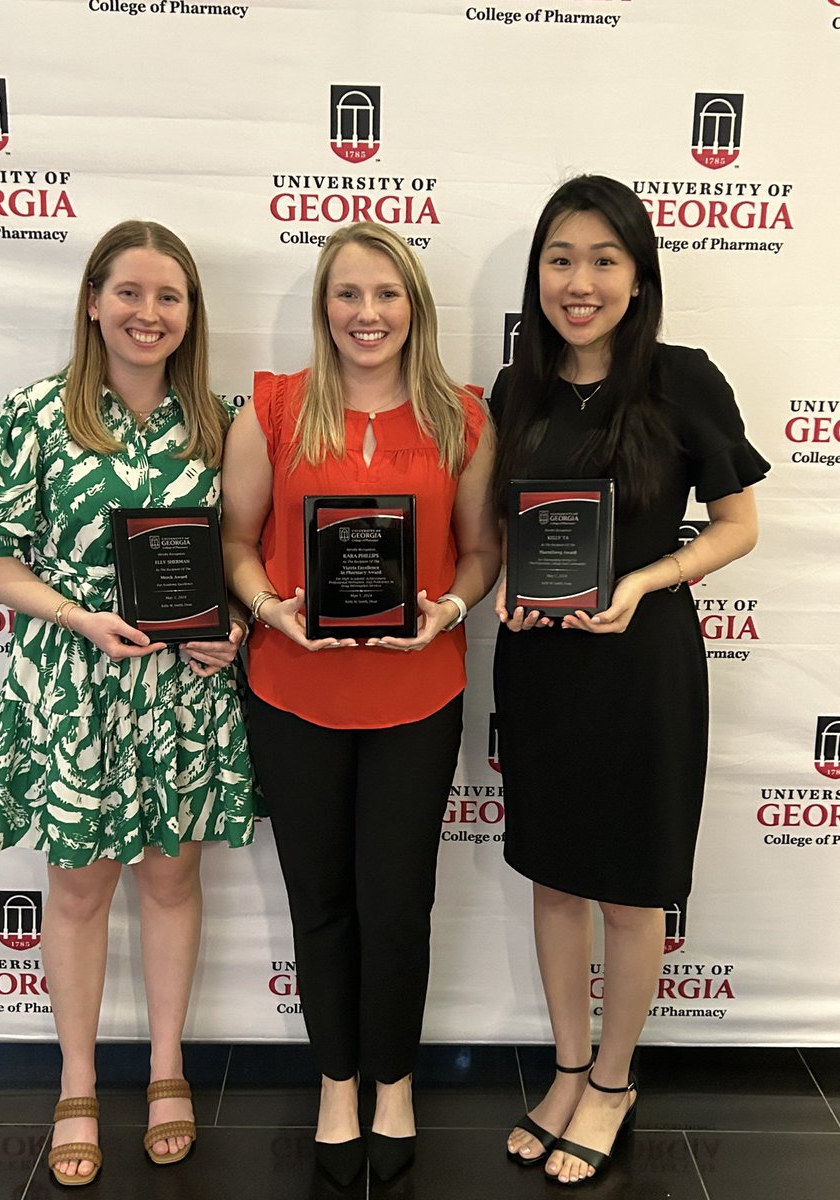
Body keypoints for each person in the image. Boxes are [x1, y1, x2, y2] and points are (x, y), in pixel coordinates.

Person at [0, 220, 258, 1186]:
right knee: (80, 889)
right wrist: (77, 615)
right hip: (77, 685)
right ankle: (76, 1079)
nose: (148, 313)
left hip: (182, 693)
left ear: (190, 315)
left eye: (169, 297)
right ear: (93, 301)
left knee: (172, 880)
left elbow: (248, 560)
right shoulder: (37, 415)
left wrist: (235, 629)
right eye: (130, 292)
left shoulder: (222, 422)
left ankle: (168, 1067)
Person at [491, 176, 768, 1185]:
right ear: (538, 274)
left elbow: (739, 526)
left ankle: (613, 1081)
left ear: (639, 274)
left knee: (631, 890)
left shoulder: (684, 380)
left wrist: (646, 578)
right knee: (556, 879)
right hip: (541, 669)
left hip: (643, 669)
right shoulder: (511, 389)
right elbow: (497, 539)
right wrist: (507, 595)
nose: (580, 281)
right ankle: (567, 1068)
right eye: (561, 258)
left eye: (605, 259)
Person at [220, 221, 499, 1185]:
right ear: (323, 306)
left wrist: (451, 609)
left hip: (417, 695)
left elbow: (480, 551)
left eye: (387, 294)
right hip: (293, 692)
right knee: (322, 901)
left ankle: (395, 1084)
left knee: (398, 904)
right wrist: (269, 610)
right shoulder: (273, 411)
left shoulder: (463, 417)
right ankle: (337, 1082)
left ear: (413, 305)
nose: (367, 313)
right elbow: (235, 544)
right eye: (348, 294)